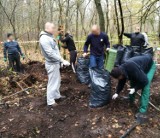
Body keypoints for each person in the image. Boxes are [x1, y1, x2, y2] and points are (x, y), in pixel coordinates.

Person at [39, 22, 70, 107]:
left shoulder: (50, 36)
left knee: (57, 81)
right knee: (52, 82)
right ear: (47, 28)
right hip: (51, 64)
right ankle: (50, 101)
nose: (54, 29)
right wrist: (62, 60)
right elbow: (50, 53)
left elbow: (56, 48)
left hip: (55, 63)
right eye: (53, 28)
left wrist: (60, 61)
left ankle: (56, 96)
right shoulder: (44, 39)